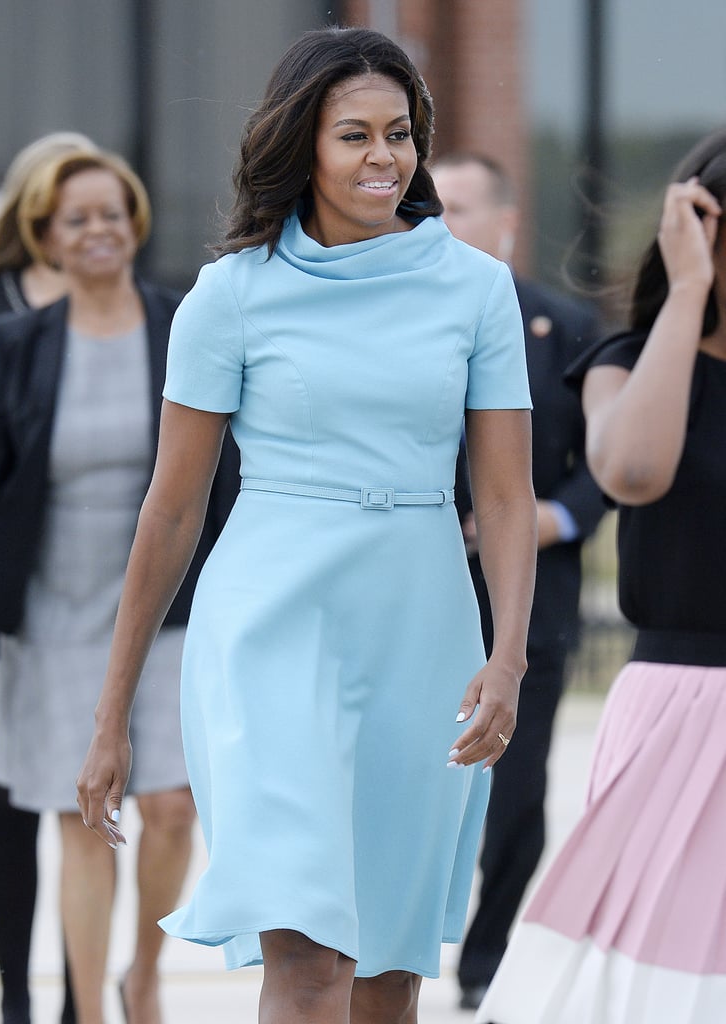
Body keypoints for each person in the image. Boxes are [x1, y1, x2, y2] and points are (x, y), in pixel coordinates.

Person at [75, 26, 537, 1024]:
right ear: (303, 147)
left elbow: (502, 497)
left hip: (422, 627)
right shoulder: (231, 295)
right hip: (268, 629)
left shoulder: (475, 289)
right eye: (355, 136)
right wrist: (111, 714)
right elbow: (171, 509)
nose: (385, 159)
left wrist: (508, 659)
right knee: (310, 956)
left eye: (400, 135)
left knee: (387, 975)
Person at [476, 126, 726, 1024]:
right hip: (685, 701)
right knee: (660, 982)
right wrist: (689, 290)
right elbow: (628, 474)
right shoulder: (627, 361)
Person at [0, 148, 239, 1024]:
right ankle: (89, 1013)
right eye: (75, 219)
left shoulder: (182, 326)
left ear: (134, 222)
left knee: (172, 806)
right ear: (46, 240)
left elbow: (225, 470)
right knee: (80, 816)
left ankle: (143, 974)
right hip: (53, 615)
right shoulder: (13, 348)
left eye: (110, 212)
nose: (97, 230)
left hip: (171, 604)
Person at [430, 152, 606, 1011]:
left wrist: (551, 519)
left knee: (513, 789)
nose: (442, 220)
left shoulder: (563, 327)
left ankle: (485, 961)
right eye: (433, 205)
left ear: (504, 221)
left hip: (528, 606)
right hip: (416, 597)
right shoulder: (399, 319)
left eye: (460, 206)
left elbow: (607, 464)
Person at [0, 130, 99, 1024]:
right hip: (10, 596)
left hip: (98, 590)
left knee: (82, 805)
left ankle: (81, 996)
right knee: (6, 806)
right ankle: (16, 993)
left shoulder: (136, 313)